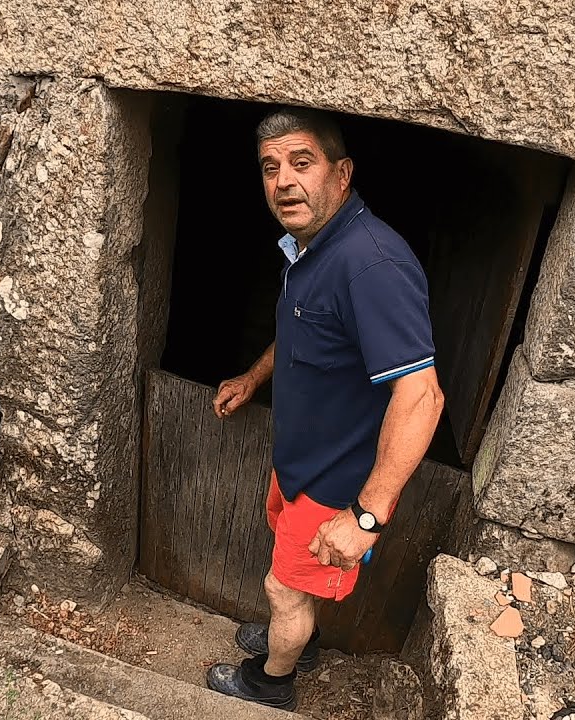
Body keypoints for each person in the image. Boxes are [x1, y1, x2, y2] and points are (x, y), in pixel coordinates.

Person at [204, 108, 445, 710]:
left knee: (282, 588)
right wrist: (253, 377)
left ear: (342, 174)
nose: (283, 181)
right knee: (293, 583)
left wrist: (364, 518)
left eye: (301, 162)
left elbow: (422, 396)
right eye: (270, 168)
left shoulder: (372, 264)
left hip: (335, 483)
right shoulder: (311, 248)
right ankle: (299, 639)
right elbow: (304, 330)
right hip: (300, 462)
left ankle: (271, 682)